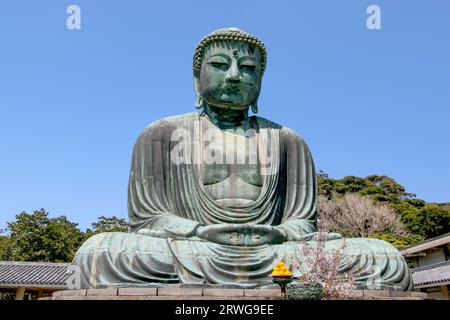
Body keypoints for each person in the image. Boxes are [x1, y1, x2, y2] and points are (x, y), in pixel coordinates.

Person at [72, 28, 413, 290]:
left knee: (382, 257)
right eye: (219, 65)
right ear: (196, 78)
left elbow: (302, 223)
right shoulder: (159, 134)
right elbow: (147, 220)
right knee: (99, 253)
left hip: (275, 254)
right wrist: (200, 231)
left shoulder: (289, 141)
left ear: (260, 82)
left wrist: (277, 235)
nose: (234, 75)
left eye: (248, 68)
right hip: (192, 250)